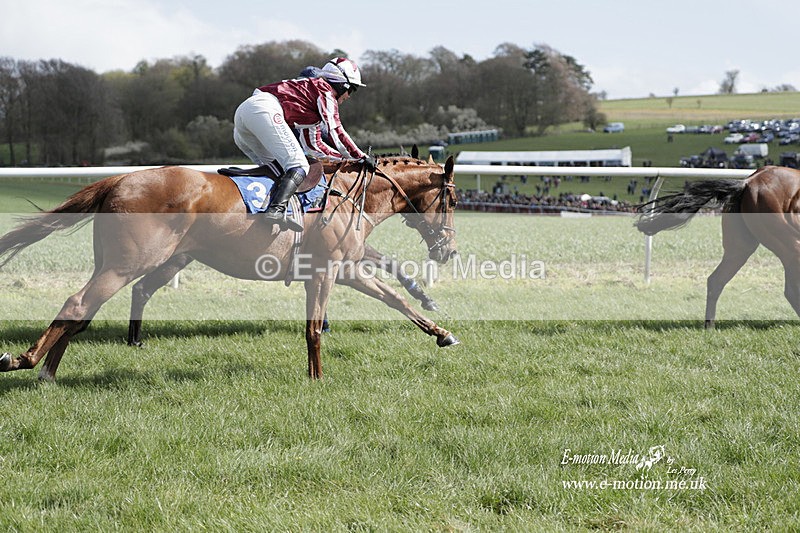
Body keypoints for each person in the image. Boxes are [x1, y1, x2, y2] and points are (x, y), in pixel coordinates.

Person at [233, 57, 375, 231]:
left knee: (279, 169)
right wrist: (360, 157)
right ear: (341, 84)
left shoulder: (311, 100)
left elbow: (313, 146)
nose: (349, 96)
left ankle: (263, 207)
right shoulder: (325, 90)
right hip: (262, 110)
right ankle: (276, 210)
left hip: (245, 115)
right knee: (299, 165)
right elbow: (335, 130)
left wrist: (344, 159)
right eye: (351, 89)